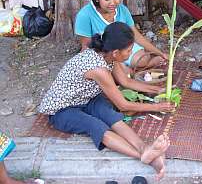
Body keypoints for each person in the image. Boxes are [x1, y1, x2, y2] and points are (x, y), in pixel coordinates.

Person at [38, 22, 174, 180]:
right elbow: (122, 104)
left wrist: (157, 90)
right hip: (62, 110)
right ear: (116, 52)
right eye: (129, 50)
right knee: (96, 126)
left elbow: (126, 82)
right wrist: (156, 106)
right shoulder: (99, 69)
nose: (131, 53)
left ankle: (144, 148)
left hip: (86, 99)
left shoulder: (108, 55)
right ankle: (143, 156)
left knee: (109, 115)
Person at [75, 0, 168, 72]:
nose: (113, 3)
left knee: (143, 60)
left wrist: (159, 53)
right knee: (121, 72)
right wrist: (111, 64)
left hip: (123, 50)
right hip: (103, 55)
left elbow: (136, 36)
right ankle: (133, 70)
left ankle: (135, 69)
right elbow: (86, 47)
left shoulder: (123, 10)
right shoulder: (85, 15)